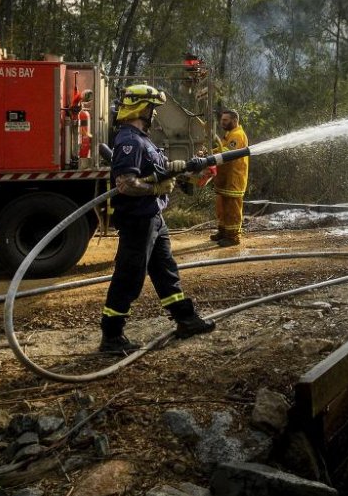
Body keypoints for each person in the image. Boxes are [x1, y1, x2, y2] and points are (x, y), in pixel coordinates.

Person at [101, 84, 216, 355]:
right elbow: (126, 184)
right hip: (137, 220)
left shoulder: (142, 137)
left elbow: (154, 170)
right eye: (153, 108)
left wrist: (178, 169)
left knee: (165, 270)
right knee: (129, 276)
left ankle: (185, 319)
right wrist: (155, 188)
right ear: (143, 108)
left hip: (153, 217)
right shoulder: (130, 140)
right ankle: (111, 335)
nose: (155, 114)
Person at [210, 108, 249, 248]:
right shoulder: (229, 134)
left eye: (225, 120)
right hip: (225, 179)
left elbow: (227, 153)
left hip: (234, 179)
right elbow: (222, 148)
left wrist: (210, 157)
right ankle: (223, 231)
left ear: (234, 120)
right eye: (222, 120)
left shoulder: (237, 135)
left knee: (232, 208)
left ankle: (233, 237)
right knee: (222, 207)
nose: (222, 123)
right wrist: (208, 153)